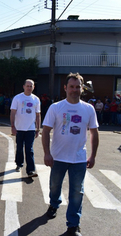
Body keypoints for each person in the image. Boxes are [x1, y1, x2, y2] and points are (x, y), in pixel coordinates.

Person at [42, 72, 99, 236]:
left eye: (77, 87)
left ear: (82, 88)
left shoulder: (88, 109)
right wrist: (47, 153)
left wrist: (93, 155)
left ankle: (73, 225)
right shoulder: (56, 107)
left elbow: (94, 133)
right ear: (65, 88)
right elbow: (45, 131)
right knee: (54, 186)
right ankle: (54, 204)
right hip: (58, 157)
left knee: (77, 192)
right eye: (71, 87)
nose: (74, 90)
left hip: (79, 159)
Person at [10, 79, 41, 177]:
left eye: (31, 86)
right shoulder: (18, 98)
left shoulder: (36, 99)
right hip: (19, 128)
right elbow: (13, 112)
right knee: (19, 148)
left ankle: (30, 170)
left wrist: (38, 128)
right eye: (27, 86)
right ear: (23, 86)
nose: (29, 88)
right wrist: (13, 126)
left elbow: (38, 115)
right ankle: (19, 164)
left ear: (33, 87)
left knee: (29, 149)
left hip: (30, 128)